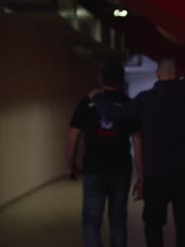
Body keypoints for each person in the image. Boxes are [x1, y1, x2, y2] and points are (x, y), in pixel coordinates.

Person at [90, 58, 185, 247]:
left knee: (153, 228)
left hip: (156, 178)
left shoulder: (145, 100)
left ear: (158, 74)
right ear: (180, 74)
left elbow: (114, 116)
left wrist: (97, 98)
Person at [66, 60, 141, 247]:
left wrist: (70, 165)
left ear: (101, 79)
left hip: (93, 169)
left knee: (91, 221)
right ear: (122, 81)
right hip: (121, 171)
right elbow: (139, 143)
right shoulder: (129, 105)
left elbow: (72, 138)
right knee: (118, 222)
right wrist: (141, 177)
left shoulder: (87, 103)